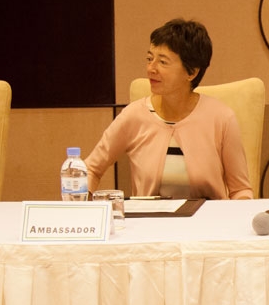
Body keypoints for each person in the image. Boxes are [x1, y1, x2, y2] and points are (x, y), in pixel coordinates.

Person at [85, 19, 253, 200]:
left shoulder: (221, 118)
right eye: (150, 59)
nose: (151, 68)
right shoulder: (133, 116)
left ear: (192, 72)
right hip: (149, 217)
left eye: (163, 62)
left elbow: (240, 190)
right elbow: (91, 169)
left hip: (208, 217)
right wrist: (81, 200)